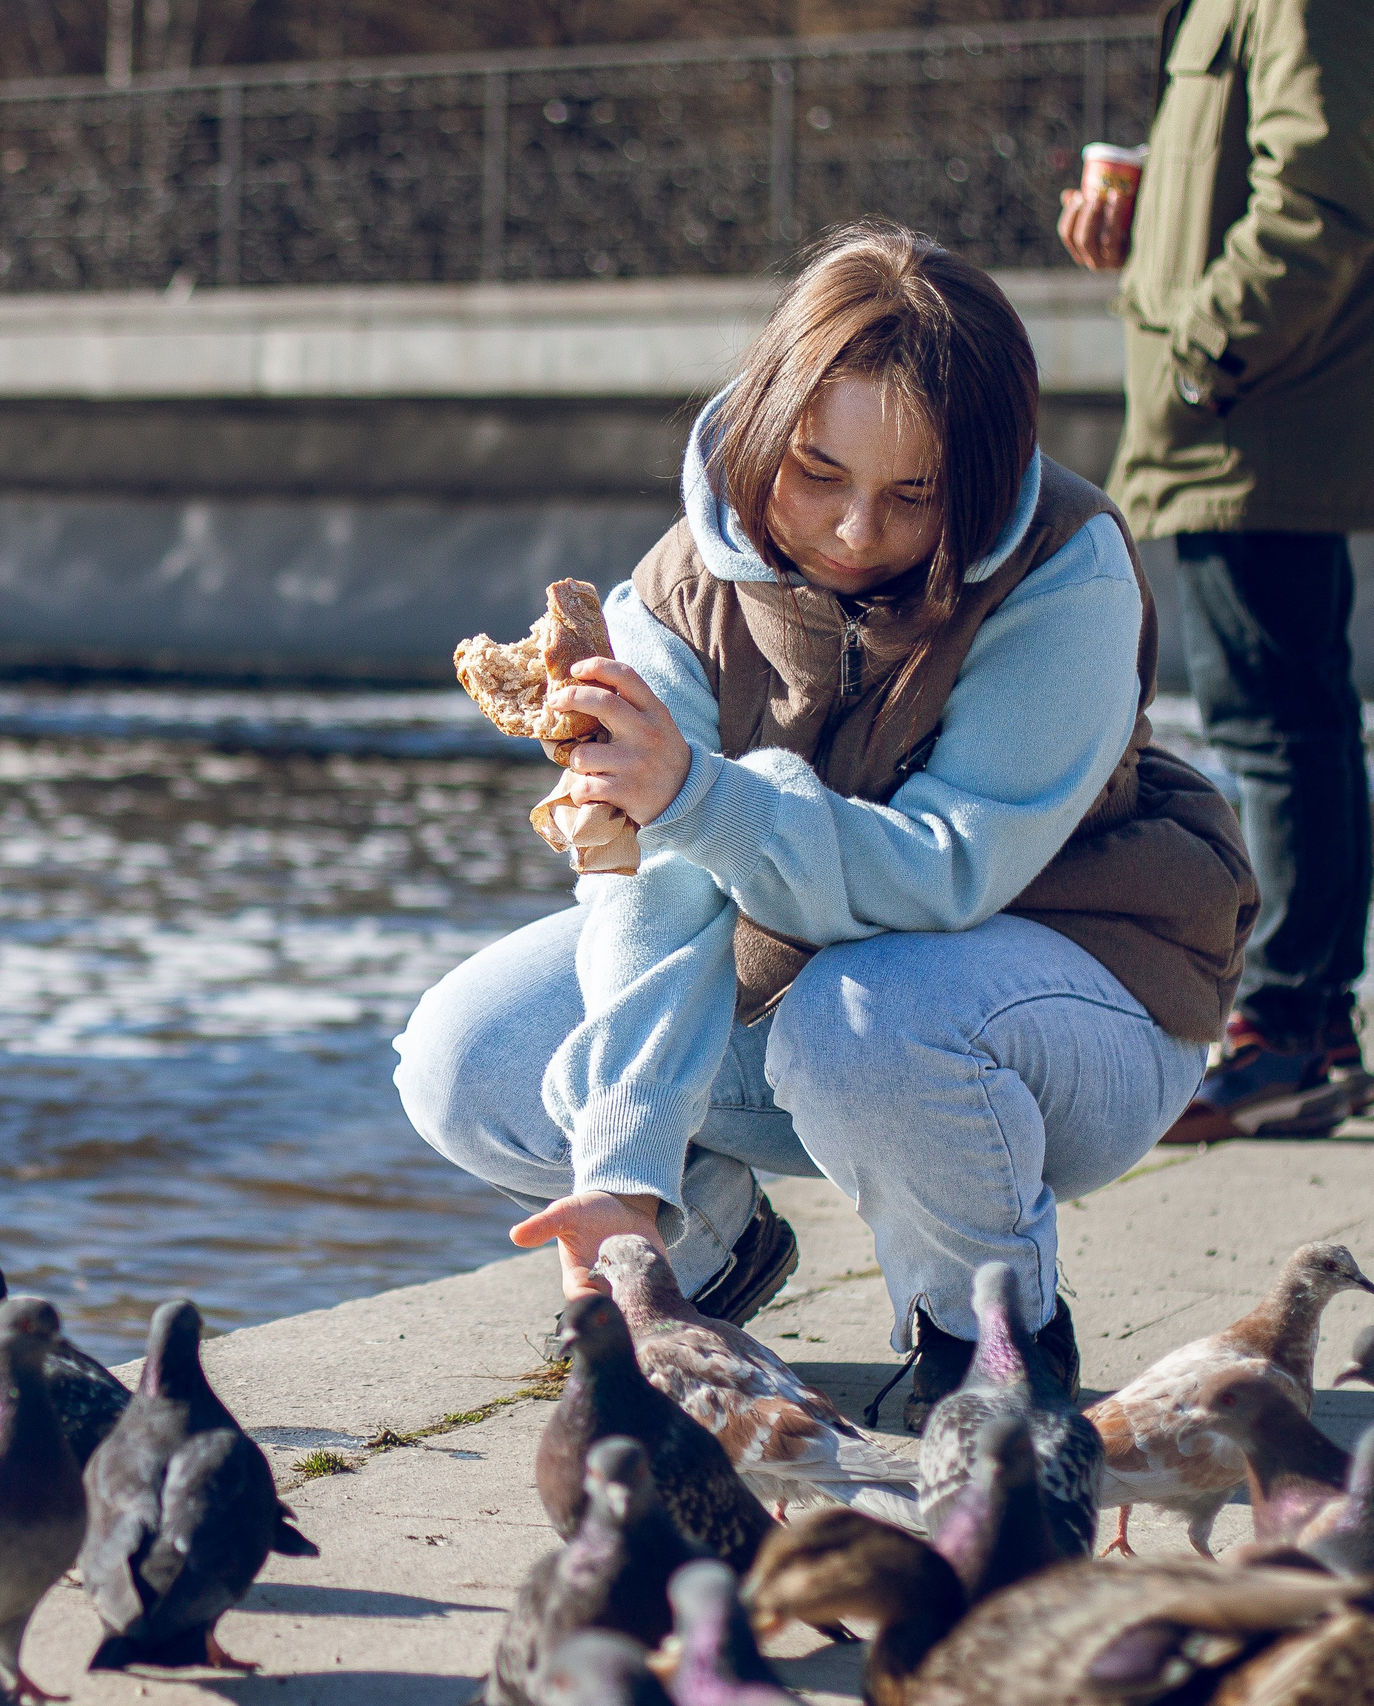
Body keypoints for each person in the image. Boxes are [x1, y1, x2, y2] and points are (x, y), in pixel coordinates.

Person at [395, 223, 1256, 1431]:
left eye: (914, 495)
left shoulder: (1067, 572)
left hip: (1087, 980)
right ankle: (706, 1256)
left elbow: (947, 872)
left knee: (869, 1017)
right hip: (804, 969)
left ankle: (991, 1329)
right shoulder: (679, 586)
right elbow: (659, 884)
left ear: (984, 475)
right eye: (816, 472)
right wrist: (625, 1176)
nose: (857, 532)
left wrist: (697, 794)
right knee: (468, 1055)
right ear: (761, 425)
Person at [1058, 0, 1374, 1143]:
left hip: (1250, 418)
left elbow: (1321, 192)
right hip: (1245, 415)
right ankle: (1313, 1023)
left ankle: (1285, 1024)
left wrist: (1204, 353)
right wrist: (1137, 231)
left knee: (1274, 724)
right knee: (1296, 716)